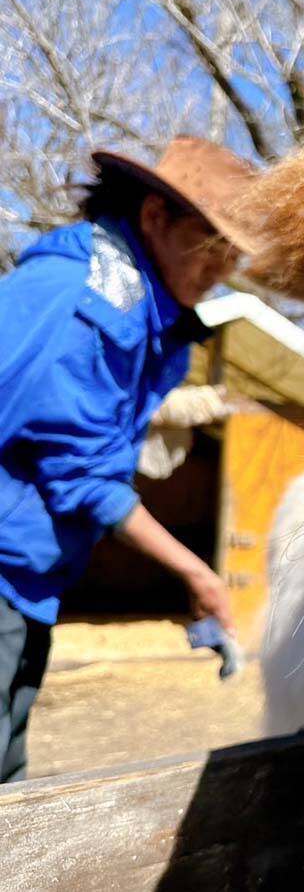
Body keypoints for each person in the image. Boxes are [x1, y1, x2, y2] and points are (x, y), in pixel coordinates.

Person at [0, 137, 257, 782]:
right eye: (211, 241)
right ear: (154, 218)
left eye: (235, 252)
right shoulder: (92, 305)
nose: (223, 265)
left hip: (26, 585)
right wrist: (199, 574)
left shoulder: (134, 307)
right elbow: (84, 474)